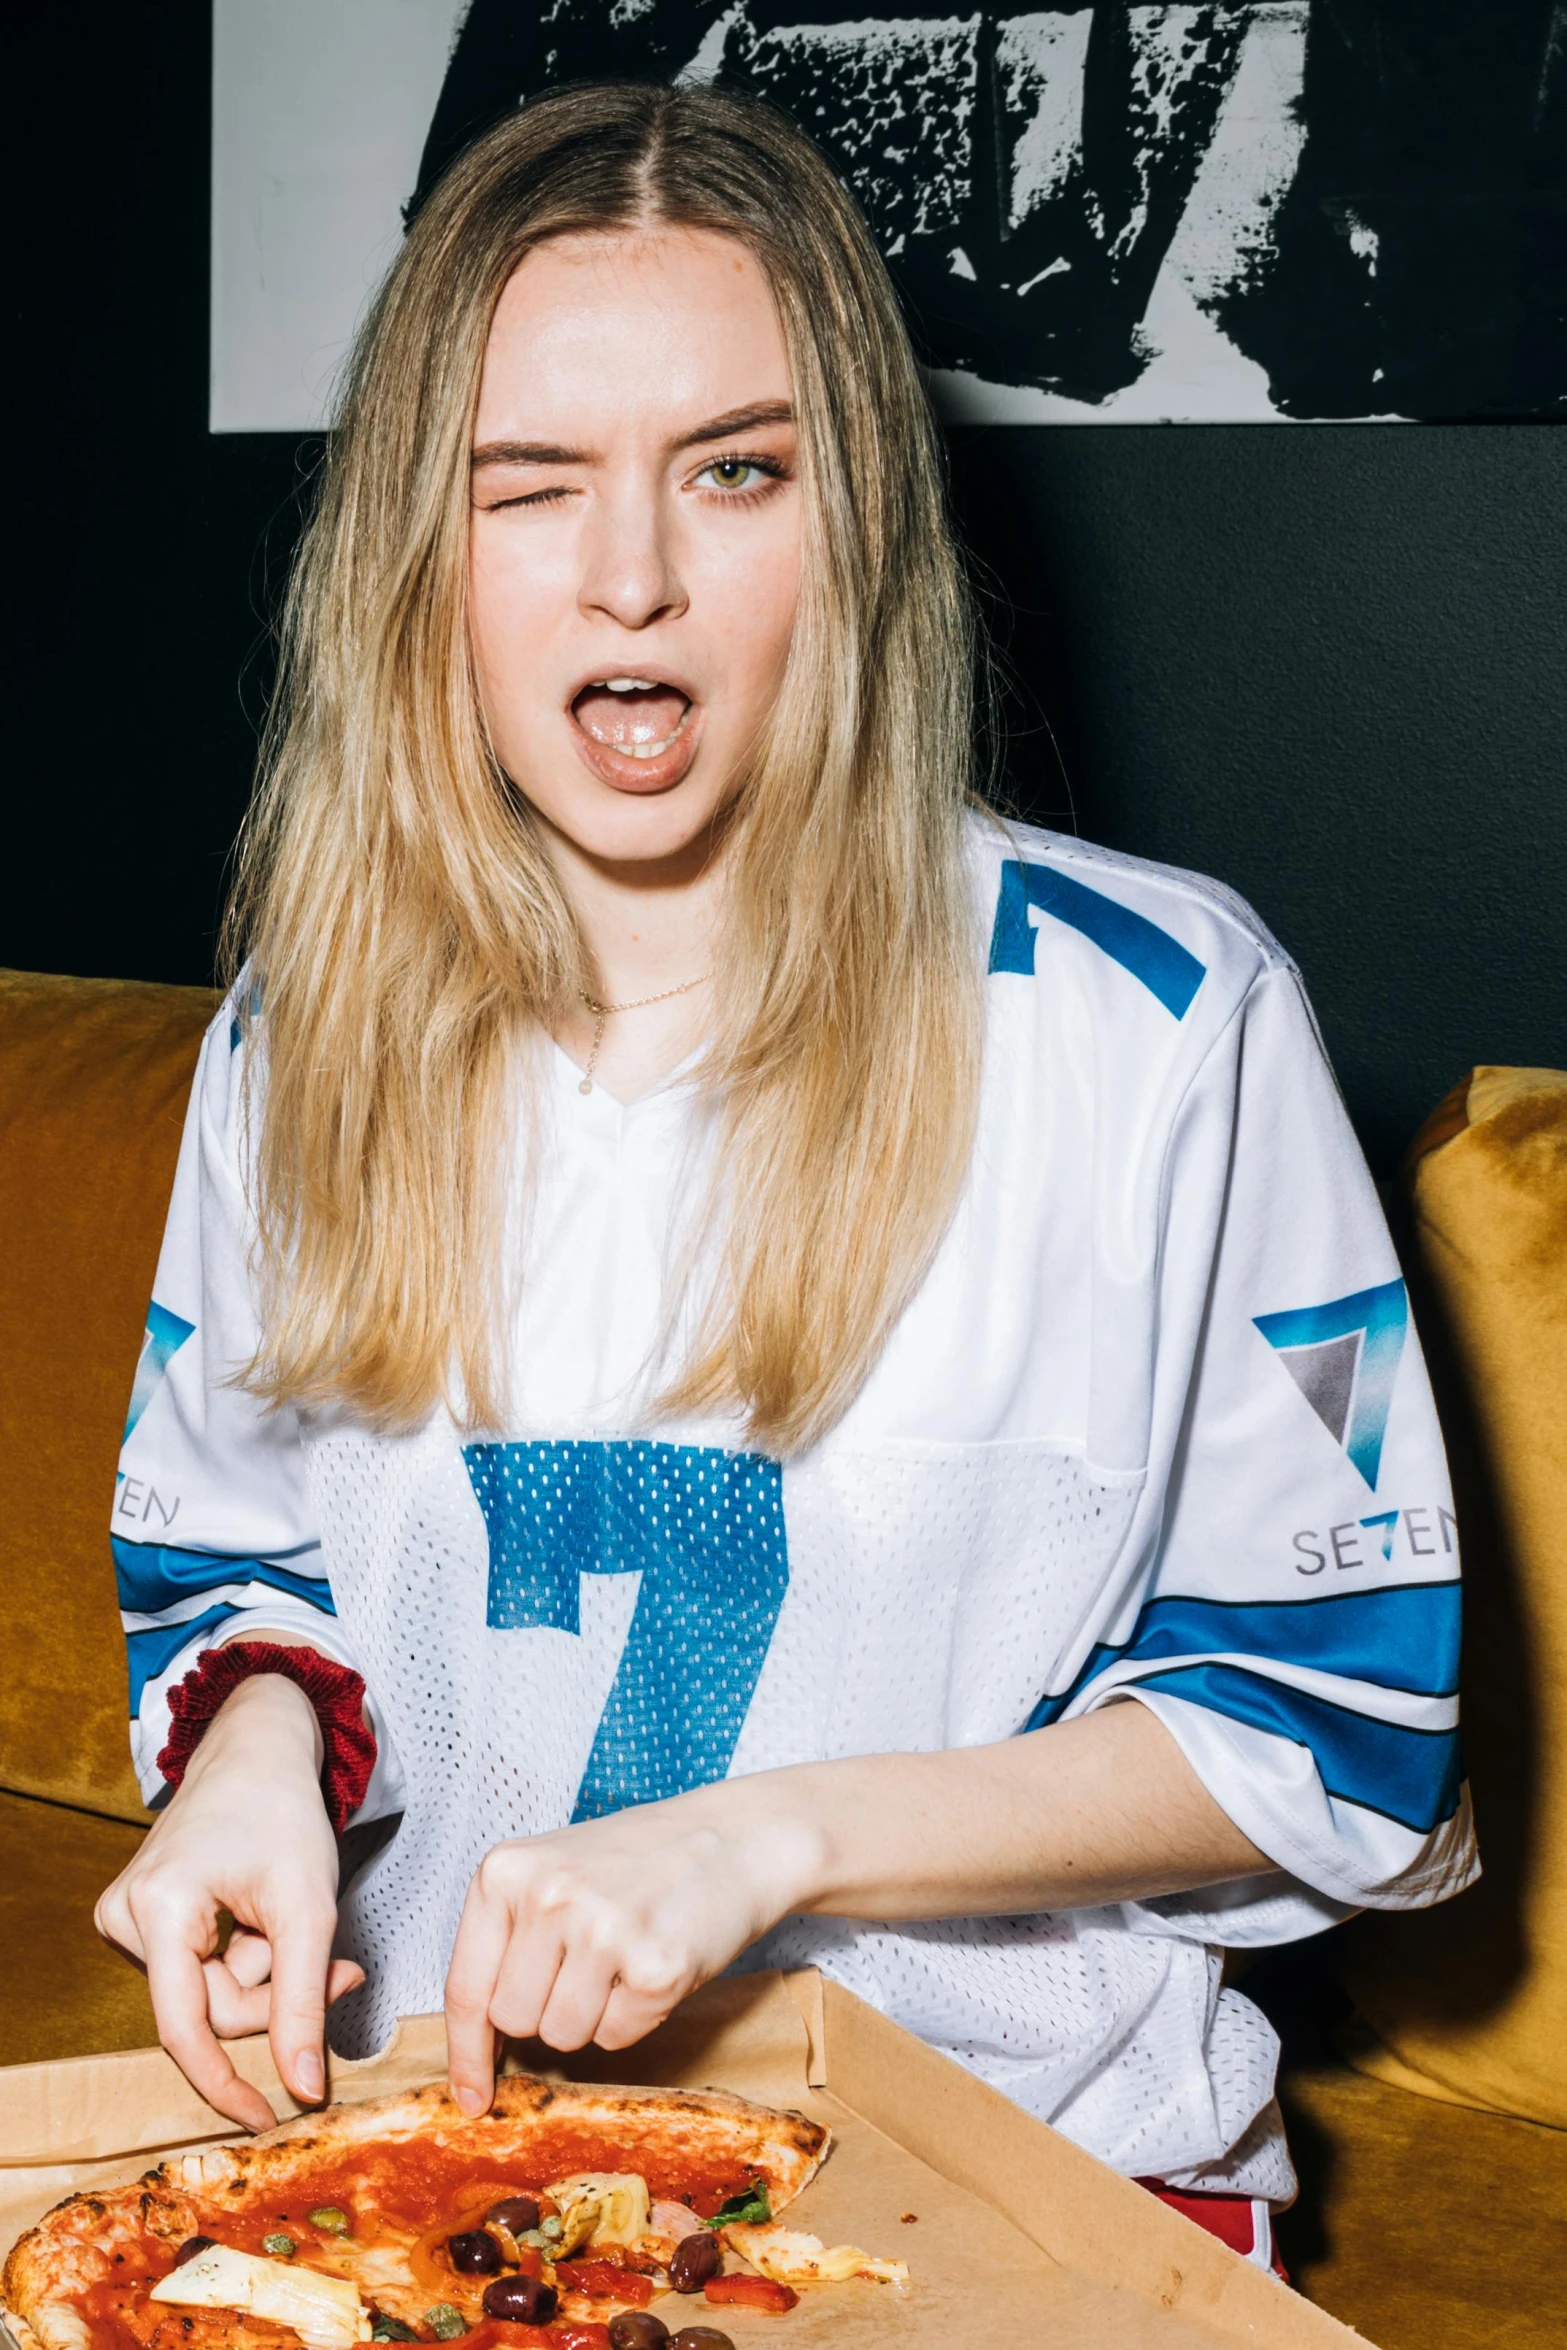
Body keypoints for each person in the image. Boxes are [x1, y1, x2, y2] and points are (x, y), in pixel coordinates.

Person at [97, 82, 1474, 2275]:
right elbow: (242, 1557)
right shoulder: (301, 1026)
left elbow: (1340, 1730)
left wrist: (765, 1842)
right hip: (462, 2178)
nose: (629, 573)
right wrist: (255, 1753)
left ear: (858, 527)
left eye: (733, 471)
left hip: (1042, 2180)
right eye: (527, 485)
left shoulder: (1163, 1023)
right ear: (412, 551)